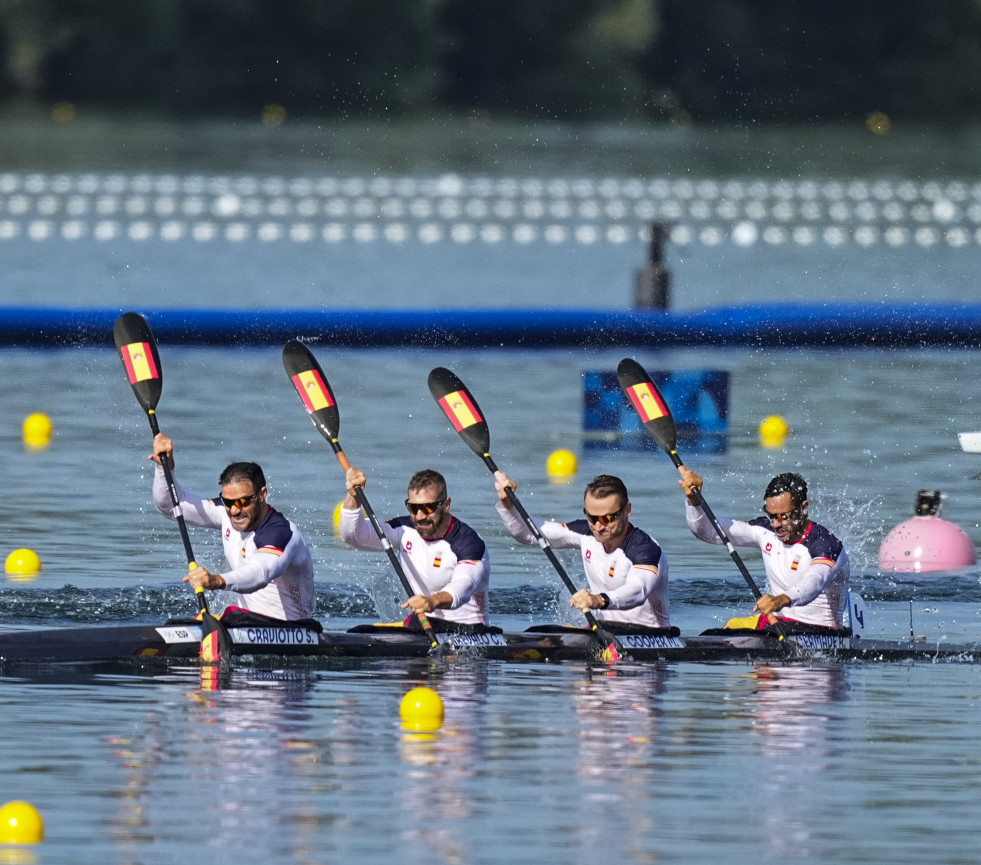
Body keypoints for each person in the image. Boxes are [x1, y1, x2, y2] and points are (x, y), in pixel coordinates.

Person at [150, 433, 315, 621]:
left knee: (231, 617)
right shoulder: (225, 512)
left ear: (262, 494)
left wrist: (216, 580)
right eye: (228, 502)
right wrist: (164, 468)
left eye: (243, 501)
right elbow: (172, 506)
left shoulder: (280, 533)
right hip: (245, 623)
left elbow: (260, 573)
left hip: (292, 630)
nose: (235, 511)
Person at [493, 472, 670, 629]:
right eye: (591, 517)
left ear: (627, 510)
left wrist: (598, 600)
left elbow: (638, 591)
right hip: (602, 629)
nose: (598, 527)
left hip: (649, 636)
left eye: (607, 518)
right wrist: (508, 505)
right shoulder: (585, 532)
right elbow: (528, 534)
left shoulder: (644, 550)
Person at [678, 468, 850, 630]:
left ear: (803, 508)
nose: (776, 524)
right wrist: (694, 502)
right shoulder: (764, 530)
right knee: (727, 630)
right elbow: (706, 532)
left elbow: (815, 581)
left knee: (740, 632)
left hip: (820, 630)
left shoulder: (826, 545)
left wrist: (782, 600)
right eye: (771, 515)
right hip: (775, 624)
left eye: (784, 516)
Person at [340, 467, 490, 629]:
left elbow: (461, 589)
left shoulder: (469, 543)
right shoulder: (404, 530)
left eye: (428, 508)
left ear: (446, 504)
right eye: (413, 508)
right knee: (361, 631)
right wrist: (353, 497)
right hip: (422, 625)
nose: (419, 516)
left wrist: (431, 601)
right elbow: (353, 536)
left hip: (468, 630)